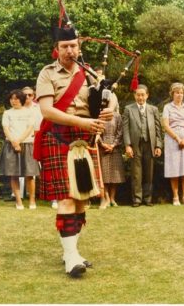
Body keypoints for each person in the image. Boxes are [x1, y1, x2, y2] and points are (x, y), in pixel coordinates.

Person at [34, 26, 113, 278]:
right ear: (56, 49)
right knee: (67, 197)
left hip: (85, 138)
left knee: (82, 197)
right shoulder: (47, 74)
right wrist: (82, 122)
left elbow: (110, 99)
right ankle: (70, 257)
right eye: (65, 46)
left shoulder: (89, 73)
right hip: (59, 137)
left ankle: (74, 252)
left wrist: (109, 109)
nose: (70, 50)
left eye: (73, 46)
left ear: (79, 47)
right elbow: (47, 110)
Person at [0, 89, 40, 210]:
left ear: (21, 99)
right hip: (11, 145)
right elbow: (6, 129)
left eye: (16, 98)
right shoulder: (7, 113)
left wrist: (19, 141)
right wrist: (14, 142)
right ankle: (18, 201)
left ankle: (32, 200)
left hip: (27, 144)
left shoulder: (30, 112)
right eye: (11, 99)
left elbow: (30, 128)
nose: (14, 101)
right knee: (14, 175)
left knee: (30, 175)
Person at [122, 84, 162, 207]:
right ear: (135, 96)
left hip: (149, 144)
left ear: (147, 95)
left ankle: (148, 198)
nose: (140, 97)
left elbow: (158, 128)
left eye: (142, 95)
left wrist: (158, 146)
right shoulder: (129, 109)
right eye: (138, 95)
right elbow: (125, 129)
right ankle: (137, 199)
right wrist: (127, 145)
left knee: (149, 172)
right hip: (135, 144)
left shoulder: (153, 109)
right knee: (136, 173)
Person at [162, 82, 184, 206]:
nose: (179, 95)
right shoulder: (167, 107)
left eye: (181, 93)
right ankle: (176, 197)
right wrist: (177, 139)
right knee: (174, 169)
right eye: (177, 92)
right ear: (172, 94)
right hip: (172, 139)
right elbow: (166, 125)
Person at [98, 111, 126, 209]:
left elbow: (120, 132)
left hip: (115, 148)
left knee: (115, 176)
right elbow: (96, 131)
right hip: (102, 148)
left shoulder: (117, 116)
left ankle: (112, 198)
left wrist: (113, 145)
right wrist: (102, 144)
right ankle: (106, 199)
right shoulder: (99, 114)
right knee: (104, 175)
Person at [22, 86, 43, 203]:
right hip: (26, 141)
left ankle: (52, 197)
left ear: (33, 96)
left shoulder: (39, 108)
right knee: (29, 170)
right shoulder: (19, 109)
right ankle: (27, 195)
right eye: (25, 95)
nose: (27, 97)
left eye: (30, 95)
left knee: (45, 168)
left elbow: (43, 123)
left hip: (40, 139)